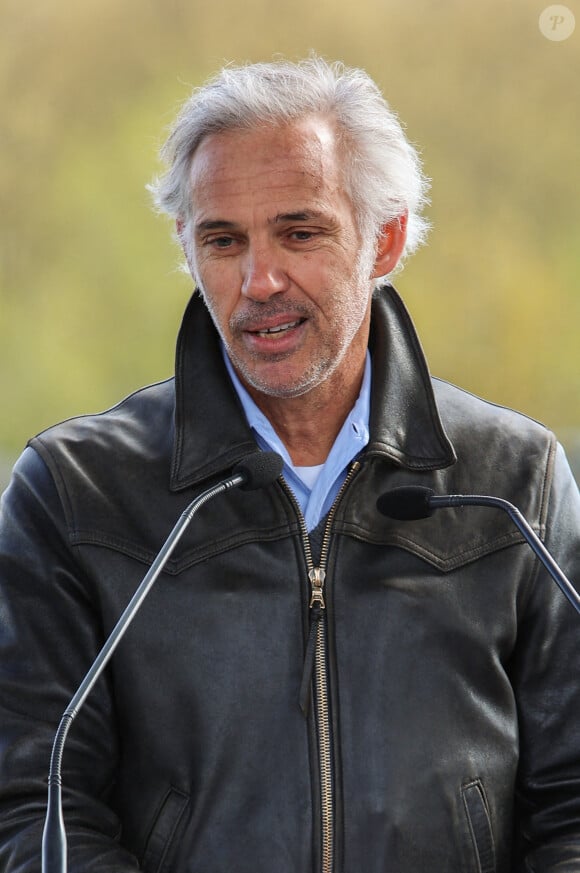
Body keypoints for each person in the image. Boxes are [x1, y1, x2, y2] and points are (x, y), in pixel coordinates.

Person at [0, 57, 579, 873]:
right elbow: (37, 812)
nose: (257, 280)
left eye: (299, 231)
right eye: (222, 239)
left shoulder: (517, 481)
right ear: (186, 247)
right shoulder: (73, 491)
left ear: (385, 238)